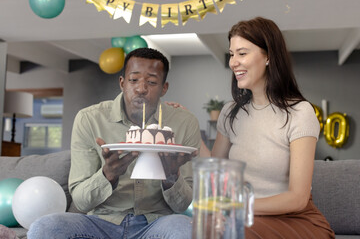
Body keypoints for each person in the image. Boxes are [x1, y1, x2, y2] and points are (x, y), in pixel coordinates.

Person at [27, 48, 201, 239]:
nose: (141, 88)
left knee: (187, 230)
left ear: (164, 88)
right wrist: (108, 174)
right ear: (122, 83)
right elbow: (81, 202)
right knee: (44, 228)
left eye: (151, 82)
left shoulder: (184, 123)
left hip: (157, 222)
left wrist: (171, 176)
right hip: (101, 222)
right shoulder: (90, 119)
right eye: (133, 80)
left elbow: (182, 205)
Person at [210, 17, 335, 238]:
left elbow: (297, 198)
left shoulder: (300, 112)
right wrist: (184, 126)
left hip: (295, 220)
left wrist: (238, 206)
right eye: (231, 54)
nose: (233, 62)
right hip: (247, 218)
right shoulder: (230, 112)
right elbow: (212, 171)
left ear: (268, 56)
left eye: (242, 53)